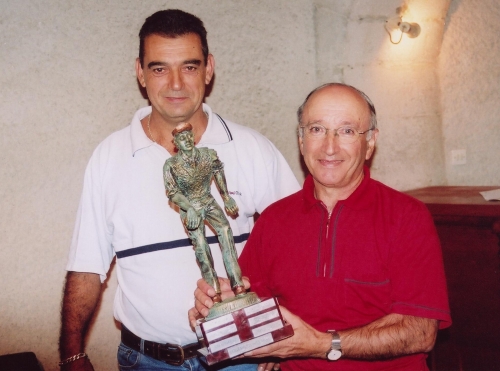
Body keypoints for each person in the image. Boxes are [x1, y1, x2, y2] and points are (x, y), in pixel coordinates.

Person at [59, 9, 299, 371]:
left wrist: (279, 329)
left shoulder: (252, 148)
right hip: (147, 360)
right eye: (159, 68)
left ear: (208, 68)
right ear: (140, 72)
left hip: (243, 356)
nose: (175, 84)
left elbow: (299, 244)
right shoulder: (109, 157)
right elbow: (86, 268)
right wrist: (72, 356)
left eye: (189, 66)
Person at [192, 83, 451, 371]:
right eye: (317, 129)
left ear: (371, 142)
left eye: (347, 131)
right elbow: (253, 310)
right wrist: (219, 305)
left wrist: (322, 344)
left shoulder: (407, 217)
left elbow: (420, 332)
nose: (330, 146)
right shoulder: (274, 219)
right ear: (301, 140)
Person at [164, 123, 245, 301]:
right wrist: (189, 209)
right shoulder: (171, 165)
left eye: (189, 136)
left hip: (208, 201)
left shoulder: (208, 155)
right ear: (176, 143)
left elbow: (218, 172)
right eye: (182, 138)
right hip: (189, 207)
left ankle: (237, 283)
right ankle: (214, 290)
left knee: (225, 230)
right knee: (201, 244)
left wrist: (226, 198)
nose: (187, 140)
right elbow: (172, 193)